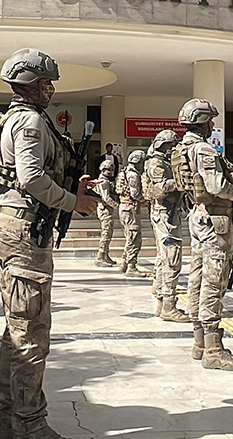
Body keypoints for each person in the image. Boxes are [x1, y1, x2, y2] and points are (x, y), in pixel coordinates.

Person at [0, 48, 98, 439]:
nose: (50, 89)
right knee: (30, 335)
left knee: (17, 331)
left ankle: (10, 420)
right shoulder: (30, 122)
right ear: (30, 85)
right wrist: (74, 202)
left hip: (18, 228)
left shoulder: (13, 119)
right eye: (46, 82)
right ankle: (29, 426)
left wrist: (71, 186)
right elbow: (31, 178)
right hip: (24, 233)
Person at [173, 98, 233, 372]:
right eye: (210, 121)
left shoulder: (184, 148)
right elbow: (216, 185)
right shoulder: (203, 149)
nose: (212, 125)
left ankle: (199, 342)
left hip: (198, 216)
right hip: (215, 218)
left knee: (198, 276)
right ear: (203, 122)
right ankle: (214, 349)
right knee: (213, 281)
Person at [144, 129, 186, 322]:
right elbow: (159, 189)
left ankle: (162, 298)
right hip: (164, 213)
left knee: (164, 257)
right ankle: (169, 305)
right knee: (171, 258)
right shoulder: (156, 163)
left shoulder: (165, 162)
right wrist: (179, 182)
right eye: (170, 145)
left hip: (169, 212)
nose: (173, 148)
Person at [117, 149, 150, 277]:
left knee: (129, 237)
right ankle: (131, 266)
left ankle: (125, 263)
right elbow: (135, 194)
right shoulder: (133, 175)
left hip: (125, 207)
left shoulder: (125, 171)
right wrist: (147, 199)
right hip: (130, 208)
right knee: (134, 238)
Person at [90, 159, 119, 267]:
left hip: (107, 210)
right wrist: (117, 206)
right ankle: (100, 257)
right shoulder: (104, 182)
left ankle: (106, 255)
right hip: (105, 209)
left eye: (111, 169)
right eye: (107, 169)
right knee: (106, 234)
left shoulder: (107, 180)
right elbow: (106, 198)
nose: (109, 172)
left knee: (109, 233)